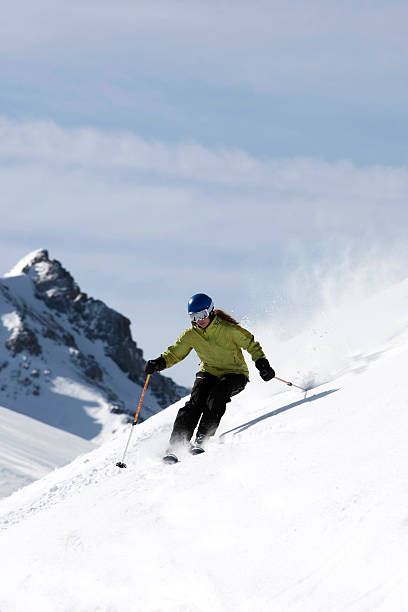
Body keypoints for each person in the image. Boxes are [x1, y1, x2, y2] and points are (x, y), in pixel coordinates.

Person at [145, 293, 275, 459]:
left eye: (202, 315)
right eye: (194, 317)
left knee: (216, 396)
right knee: (195, 402)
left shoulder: (229, 329)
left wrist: (262, 364)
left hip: (235, 373)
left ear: (211, 311)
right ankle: (177, 445)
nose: (199, 320)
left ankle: (202, 438)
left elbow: (252, 345)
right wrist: (158, 363)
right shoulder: (191, 335)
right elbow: (175, 353)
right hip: (209, 371)